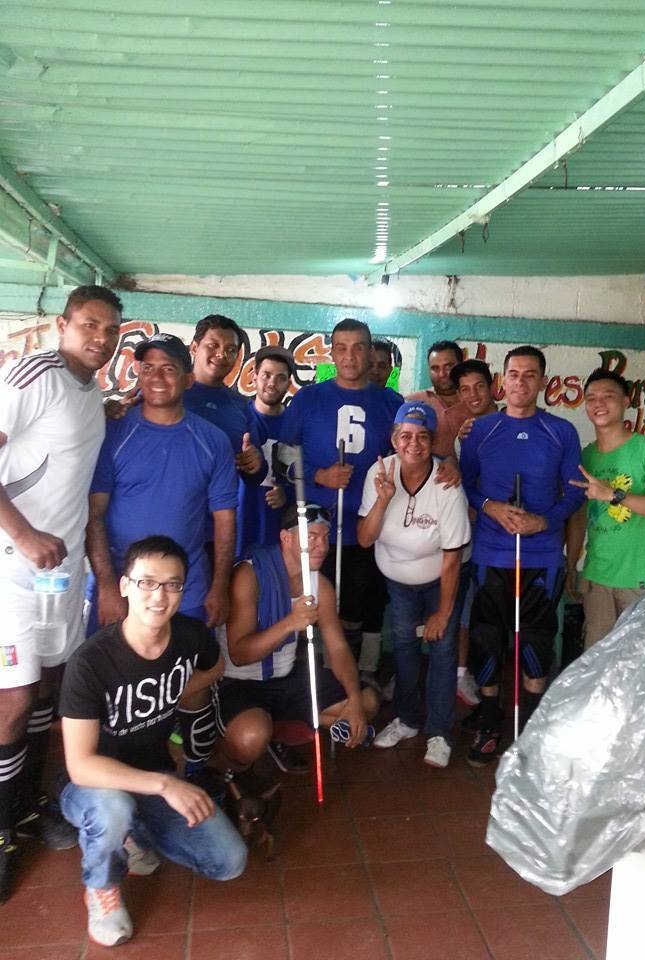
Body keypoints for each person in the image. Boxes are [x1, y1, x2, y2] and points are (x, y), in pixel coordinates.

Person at [59, 536, 247, 947]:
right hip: (93, 787)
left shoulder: (191, 636)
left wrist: (174, 694)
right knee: (112, 807)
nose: (159, 596)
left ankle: (137, 834)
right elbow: (80, 764)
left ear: (183, 589)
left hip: (154, 774)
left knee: (228, 862)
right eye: (146, 582)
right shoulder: (91, 662)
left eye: (172, 584)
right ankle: (102, 888)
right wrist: (167, 784)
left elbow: (213, 669)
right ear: (125, 586)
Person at [0, 284, 122, 901]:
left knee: (49, 684)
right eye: (90, 326)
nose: (100, 339)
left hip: (64, 571)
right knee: (13, 697)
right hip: (12, 569)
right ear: (63, 323)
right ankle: (0, 831)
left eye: (110, 330)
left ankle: (25, 806)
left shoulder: (92, 390)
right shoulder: (33, 373)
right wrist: (20, 533)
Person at [460, 345, 585, 765]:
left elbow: (573, 495)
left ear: (543, 382)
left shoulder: (561, 432)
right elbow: (467, 484)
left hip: (542, 557)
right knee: (487, 638)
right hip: (491, 554)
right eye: (513, 374)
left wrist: (543, 522)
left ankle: (530, 728)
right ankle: (490, 722)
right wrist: (491, 506)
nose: (520, 382)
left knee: (535, 640)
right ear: (503, 381)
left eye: (530, 375)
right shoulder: (482, 430)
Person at [86, 333, 237, 633]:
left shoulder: (213, 441)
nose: (156, 376)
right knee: (107, 677)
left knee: (186, 676)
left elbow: (225, 523)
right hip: (120, 587)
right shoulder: (112, 432)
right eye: (147, 367)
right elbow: (94, 515)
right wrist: (107, 587)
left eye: (168, 368)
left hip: (186, 590)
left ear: (188, 380)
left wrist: (219, 588)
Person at [216, 503, 378, 773]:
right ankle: (220, 760)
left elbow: (337, 648)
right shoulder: (250, 574)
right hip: (240, 682)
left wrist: (354, 699)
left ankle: (276, 732)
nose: (322, 546)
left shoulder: (318, 585)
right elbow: (239, 654)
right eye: (311, 537)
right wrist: (290, 623)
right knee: (249, 739)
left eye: (325, 538)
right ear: (286, 537)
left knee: (367, 701)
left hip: (287, 677)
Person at [279, 318, 404, 664]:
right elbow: (283, 455)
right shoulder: (308, 399)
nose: (350, 356)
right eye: (342, 348)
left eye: (359, 347)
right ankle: (312, 675)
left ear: (369, 352)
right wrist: (319, 475)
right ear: (332, 353)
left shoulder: (391, 403)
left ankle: (350, 675)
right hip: (317, 528)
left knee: (354, 611)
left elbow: (409, 455)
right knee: (313, 607)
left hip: (365, 530)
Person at [358, 402, 471, 768]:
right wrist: (383, 500)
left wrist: (443, 611)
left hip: (441, 578)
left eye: (423, 436)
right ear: (394, 438)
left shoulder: (445, 482)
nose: (414, 444)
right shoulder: (379, 473)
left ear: (433, 441)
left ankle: (439, 731)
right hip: (398, 580)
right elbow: (363, 538)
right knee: (405, 647)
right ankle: (406, 719)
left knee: (441, 649)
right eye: (406, 435)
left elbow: (453, 556)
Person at [567, 368, 645, 647]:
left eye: (608, 396)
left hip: (640, 579)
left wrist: (615, 495)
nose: (599, 404)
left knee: (638, 664)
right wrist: (571, 566)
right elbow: (580, 516)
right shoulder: (586, 456)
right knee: (598, 664)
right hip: (597, 578)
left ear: (627, 401)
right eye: (591, 398)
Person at [183, 315, 266, 556]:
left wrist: (254, 463)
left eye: (231, 350)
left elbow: (256, 474)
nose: (222, 354)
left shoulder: (240, 407)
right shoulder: (167, 392)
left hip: (213, 532)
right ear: (194, 347)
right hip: (162, 521)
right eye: (213, 346)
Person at [447, 359, 497, 708]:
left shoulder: (513, 421)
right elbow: (462, 476)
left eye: (478, 386)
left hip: (507, 533)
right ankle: (462, 673)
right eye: (464, 390)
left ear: (492, 385)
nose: (473, 395)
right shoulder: (466, 430)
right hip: (472, 529)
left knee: (495, 609)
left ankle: (493, 676)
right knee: (464, 603)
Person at [242, 344, 296, 549]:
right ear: (254, 376)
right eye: (266, 375)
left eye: (280, 378)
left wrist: (287, 494)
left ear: (288, 383)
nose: (272, 383)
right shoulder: (238, 418)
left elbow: (303, 478)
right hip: (238, 526)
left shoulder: (296, 425)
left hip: (278, 533)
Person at [407, 340, 471, 458]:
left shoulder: (475, 403)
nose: (442, 374)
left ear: (461, 366)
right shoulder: (412, 403)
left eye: (448, 366)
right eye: (435, 368)